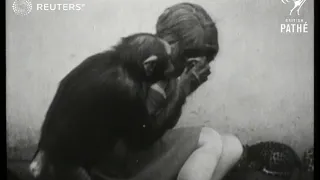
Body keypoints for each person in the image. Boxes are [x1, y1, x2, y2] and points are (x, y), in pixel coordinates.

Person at [91, 3, 243, 180]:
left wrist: (182, 88)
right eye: (190, 60)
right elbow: (137, 137)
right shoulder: (139, 67)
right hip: (117, 165)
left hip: (141, 153)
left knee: (233, 146)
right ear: (169, 45)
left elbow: (164, 126)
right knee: (208, 139)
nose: (193, 67)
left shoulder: (169, 77)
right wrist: (183, 90)